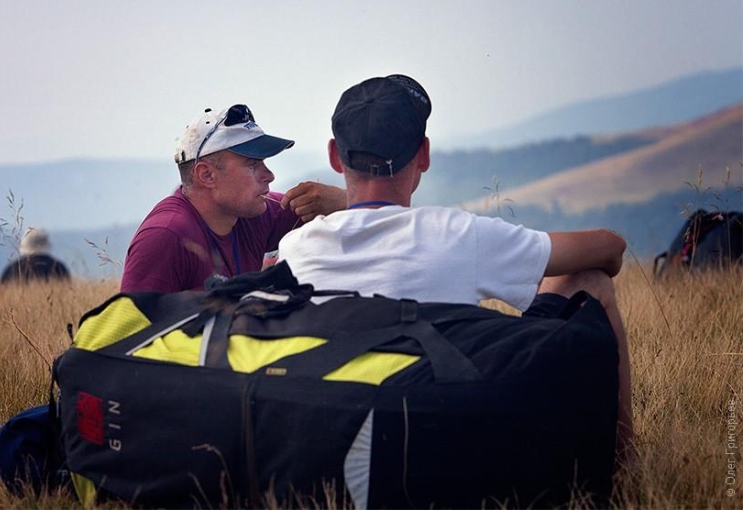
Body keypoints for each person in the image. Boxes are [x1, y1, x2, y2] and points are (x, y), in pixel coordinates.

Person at [277, 74, 634, 464]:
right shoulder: (458, 234)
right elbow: (609, 247)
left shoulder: (295, 249)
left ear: (333, 155)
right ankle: (626, 460)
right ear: (424, 155)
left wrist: (347, 204)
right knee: (590, 280)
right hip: (439, 444)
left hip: (330, 447)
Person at [120, 103, 346, 293]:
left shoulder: (253, 212)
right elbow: (126, 340)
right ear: (207, 175)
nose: (269, 175)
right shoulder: (165, 237)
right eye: (253, 164)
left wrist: (343, 200)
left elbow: (332, 209)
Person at [0, 227, 70, 284]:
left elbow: (0, 294)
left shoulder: (13, 270)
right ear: (47, 243)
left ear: (24, 243)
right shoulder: (58, 268)